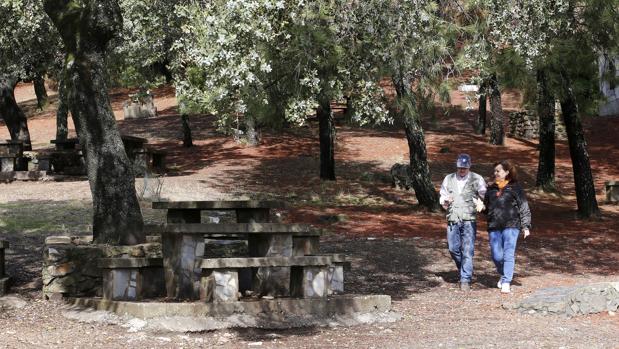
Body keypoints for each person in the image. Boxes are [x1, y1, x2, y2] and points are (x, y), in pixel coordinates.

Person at [439, 154, 487, 291]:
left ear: (469, 166)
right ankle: (465, 269)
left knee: (467, 249)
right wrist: (445, 201)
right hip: (453, 217)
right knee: (453, 248)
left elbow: (485, 195)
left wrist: (482, 204)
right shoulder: (448, 179)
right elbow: (442, 196)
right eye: (460, 168)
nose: (462, 170)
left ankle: (465, 278)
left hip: (469, 219)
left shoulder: (477, 179)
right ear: (457, 166)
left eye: (464, 168)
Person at [483, 160, 531, 294]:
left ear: (507, 172)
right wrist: (481, 208)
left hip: (511, 225)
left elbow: (523, 207)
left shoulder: (516, 188)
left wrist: (526, 226)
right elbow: (487, 209)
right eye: (495, 171)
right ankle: (503, 273)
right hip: (494, 226)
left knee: (508, 253)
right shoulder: (491, 189)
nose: (495, 173)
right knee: (496, 256)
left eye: (498, 171)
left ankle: (506, 281)